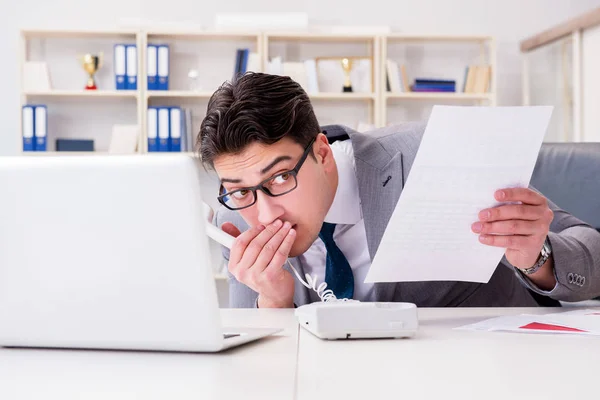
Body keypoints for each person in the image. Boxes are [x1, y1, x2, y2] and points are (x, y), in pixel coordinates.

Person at [197, 72, 600, 308]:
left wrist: (538, 256)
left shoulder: (432, 152)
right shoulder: (236, 215)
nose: (266, 216)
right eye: (240, 190)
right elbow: (255, 366)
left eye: (281, 178)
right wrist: (274, 299)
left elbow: (590, 253)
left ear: (322, 152)